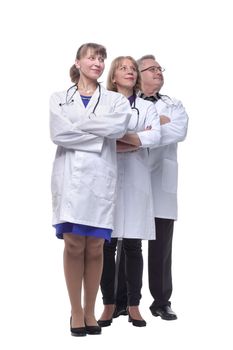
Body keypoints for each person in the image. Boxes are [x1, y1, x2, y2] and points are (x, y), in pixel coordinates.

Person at [49, 43, 131, 337]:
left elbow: (119, 127)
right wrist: (98, 132)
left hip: (100, 178)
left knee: (96, 246)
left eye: (101, 59)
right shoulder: (59, 98)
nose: (97, 62)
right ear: (78, 62)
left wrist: (79, 127)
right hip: (69, 179)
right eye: (92, 57)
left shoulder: (116, 101)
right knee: (73, 244)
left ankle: (90, 310)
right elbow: (58, 133)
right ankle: (75, 311)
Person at [113, 54, 188, 321]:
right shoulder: (123, 102)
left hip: (160, 183)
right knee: (126, 239)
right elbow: (116, 132)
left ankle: (161, 301)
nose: (158, 72)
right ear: (138, 74)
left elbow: (178, 131)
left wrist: (142, 136)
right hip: (131, 180)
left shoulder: (174, 104)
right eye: (151, 68)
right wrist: (151, 130)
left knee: (161, 246)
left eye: (159, 68)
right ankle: (121, 300)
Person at [98, 56, 161, 328]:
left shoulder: (147, 107)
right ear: (113, 76)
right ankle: (109, 304)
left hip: (136, 181)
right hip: (107, 180)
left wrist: (118, 137)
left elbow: (154, 137)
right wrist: (135, 140)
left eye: (132, 69)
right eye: (122, 68)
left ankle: (134, 305)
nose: (129, 71)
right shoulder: (103, 104)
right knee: (106, 245)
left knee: (134, 246)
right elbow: (98, 138)